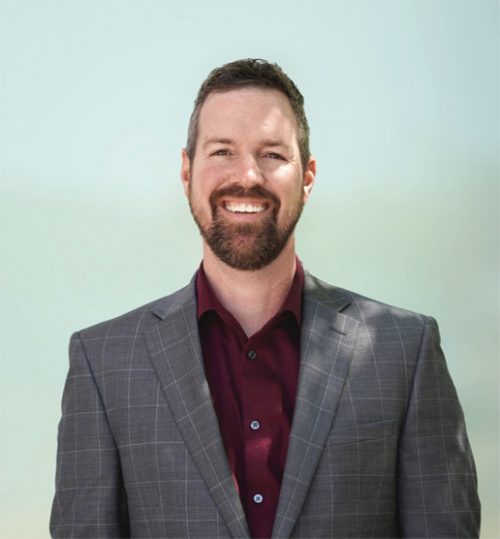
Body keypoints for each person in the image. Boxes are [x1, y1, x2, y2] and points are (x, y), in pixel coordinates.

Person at [50, 58, 480, 539]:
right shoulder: (104, 362)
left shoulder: (404, 352)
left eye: (273, 154)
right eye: (222, 152)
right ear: (186, 171)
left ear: (308, 177)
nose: (247, 175)